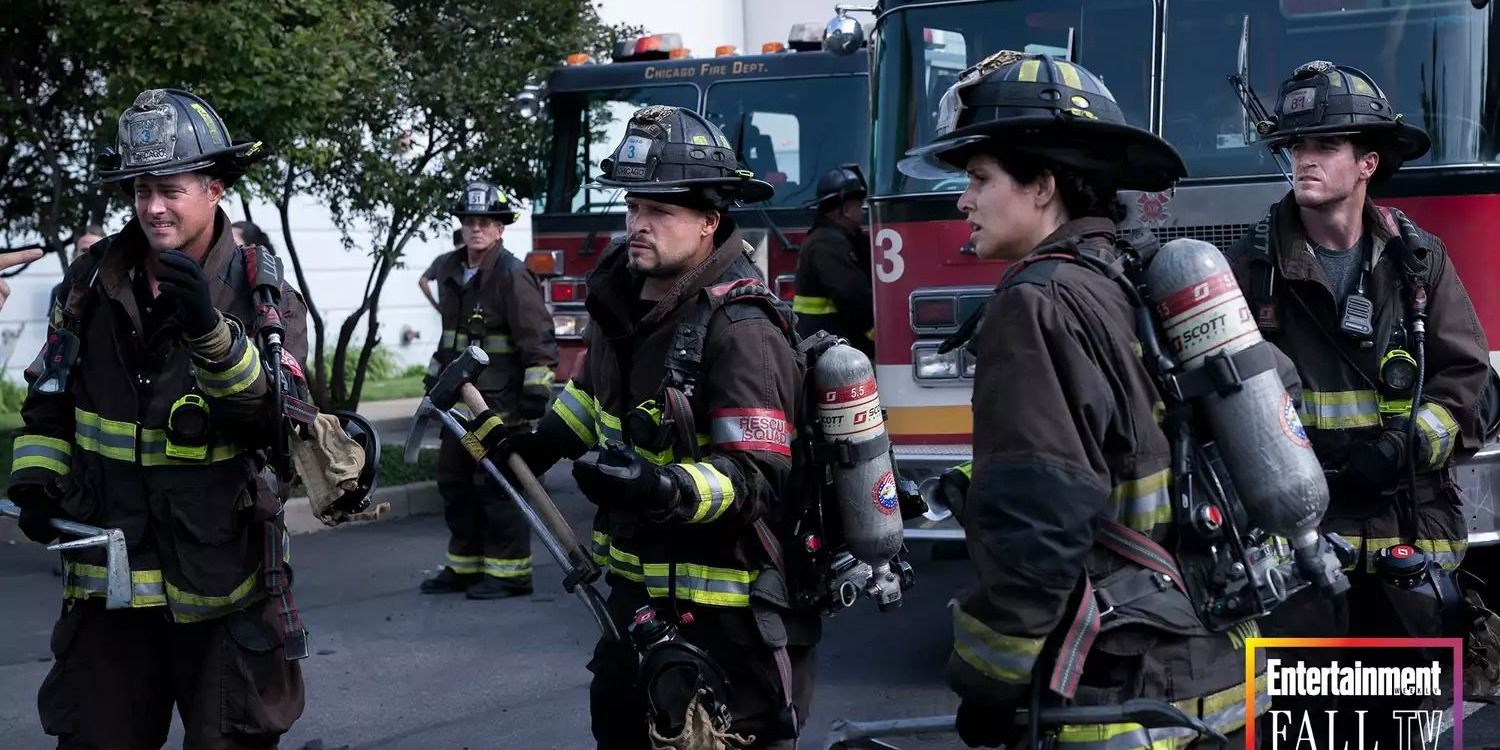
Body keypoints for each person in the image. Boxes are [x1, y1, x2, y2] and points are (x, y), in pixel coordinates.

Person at [899, 52, 1262, 748]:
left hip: (1117, 689)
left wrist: (987, 681)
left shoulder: (1037, 303)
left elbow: (1039, 528)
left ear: (1043, 187)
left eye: (979, 179)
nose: (962, 200)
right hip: (1211, 661)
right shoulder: (1128, 276)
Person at [9, 88, 308, 749]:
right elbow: (49, 401)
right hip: (106, 589)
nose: (152, 206)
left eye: (170, 188)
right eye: (140, 189)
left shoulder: (261, 293)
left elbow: (274, 425)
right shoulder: (89, 282)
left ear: (215, 187)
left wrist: (211, 332)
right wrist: (35, 479)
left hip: (224, 588)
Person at [508, 105, 815, 748]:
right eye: (634, 206)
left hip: (729, 619)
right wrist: (541, 442)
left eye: (661, 212)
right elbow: (595, 398)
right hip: (636, 602)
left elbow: (758, 476)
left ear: (709, 222)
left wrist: (665, 488)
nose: (638, 225)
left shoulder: (742, 327)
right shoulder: (623, 302)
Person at [1226, 60, 1491, 743]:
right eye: (1294, 147)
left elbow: (1467, 384)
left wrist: (1400, 447)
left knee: (1402, 724)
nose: (1302, 161)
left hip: (1409, 525)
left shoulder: (1418, 262)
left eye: (1323, 146)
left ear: (1367, 162)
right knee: (1306, 725)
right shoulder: (1250, 272)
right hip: (1299, 542)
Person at [416, 180, 558, 599]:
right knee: (455, 482)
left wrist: (535, 396)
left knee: (499, 488)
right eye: (469, 221)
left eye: (485, 222)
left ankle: (511, 573)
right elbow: (450, 339)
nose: (476, 228)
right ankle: (465, 565)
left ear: (500, 229)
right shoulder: (449, 269)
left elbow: (540, 344)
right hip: (458, 401)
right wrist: (433, 382)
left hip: (502, 405)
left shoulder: (514, 276)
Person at [792, 165, 874, 356]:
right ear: (846, 209)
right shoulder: (827, 244)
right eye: (858, 205)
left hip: (829, 339)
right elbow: (852, 295)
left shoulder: (835, 239)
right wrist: (875, 333)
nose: (861, 212)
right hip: (827, 344)